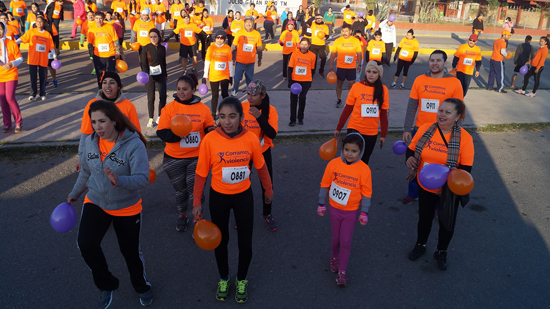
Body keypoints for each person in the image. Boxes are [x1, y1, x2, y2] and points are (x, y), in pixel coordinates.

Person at [67, 100, 153, 308]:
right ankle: (106, 284)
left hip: (126, 207)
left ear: (114, 121)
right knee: (86, 244)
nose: (97, 127)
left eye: (102, 121)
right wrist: (75, 193)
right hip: (96, 201)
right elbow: (86, 171)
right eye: (94, 121)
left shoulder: (134, 144)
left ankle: (142, 286)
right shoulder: (90, 141)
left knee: (130, 253)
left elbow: (143, 178)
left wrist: (120, 180)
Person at [192, 97, 273, 304]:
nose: (227, 122)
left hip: (243, 196)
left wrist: (268, 190)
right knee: (221, 240)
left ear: (241, 117)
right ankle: (224, 278)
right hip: (218, 197)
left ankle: (242, 279)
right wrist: (196, 201)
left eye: (232, 116)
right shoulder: (210, 139)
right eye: (222, 117)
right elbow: (201, 173)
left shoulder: (251, 139)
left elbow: (262, 167)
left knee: (245, 243)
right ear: (217, 118)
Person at [406, 98, 474, 271]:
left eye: (448, 112)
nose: (442, 115)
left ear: (458, 116)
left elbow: (465, 169)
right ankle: (420, 244)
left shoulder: (465, 138)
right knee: (424, 218)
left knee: (446, 222)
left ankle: (441, 251)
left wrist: (446, 185)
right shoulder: (425, 129)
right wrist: (409, 158)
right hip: (425, 185)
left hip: (450, 189)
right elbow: (411, 149)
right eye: (441, 110)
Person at [402, 50, 463, 205]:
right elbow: (411, 106)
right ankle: (413, 192)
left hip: (443, 130)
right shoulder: (419, 80)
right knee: (415, 162)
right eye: (432, 60)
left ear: (445, 63)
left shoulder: (454, 82)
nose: (434, 63)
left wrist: (457, 132)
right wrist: (406, 129)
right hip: (420, 129)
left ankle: (439, 200)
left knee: (441, 165)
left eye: (438, 60)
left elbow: (459, 110)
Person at [156, 74, 215, 232]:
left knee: (196, 189)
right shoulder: (169, 109)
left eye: (185, 89)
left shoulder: (203, 109)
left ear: (194, 90)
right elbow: (161, 133)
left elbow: (209, 127)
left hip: (197, 157)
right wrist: (178, 135)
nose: (181, 92)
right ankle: (182, 214)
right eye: (178, 89)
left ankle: (198, 217)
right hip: (173, 159)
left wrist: (211, 131)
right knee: (180, 191)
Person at [318, 132, 372, 287]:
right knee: (336, 238)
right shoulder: (333, 164)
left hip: (350, 211)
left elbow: (367, 193)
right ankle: (334, 257)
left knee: (345, 241)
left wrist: (364, 212)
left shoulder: (364, 170)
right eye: (346, 149)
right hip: (334, 209)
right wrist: (321, 203)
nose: (349, 154)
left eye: (354, 151)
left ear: (360, 152)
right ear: (342, 149)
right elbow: (324, 184)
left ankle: (342, 272)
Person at [76, 71, 141, 172]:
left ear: (119, 86)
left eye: (112, 82)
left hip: (121, 158)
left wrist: (141, 159)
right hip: (97, 158)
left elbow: (136, 135)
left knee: (121, 184)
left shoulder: (128, 106)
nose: (107, 86)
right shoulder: (92, 105)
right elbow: (85, 134)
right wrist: (81, 158)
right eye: (104, 83)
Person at [241, 80, 279, 231]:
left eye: (253, 95)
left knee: (267, 184)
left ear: (262, 95)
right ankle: (242, 214)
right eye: (248, 94)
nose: (249, 97)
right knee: (244, 184)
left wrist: (259, 117)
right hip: (244, 154)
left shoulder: (271, 110)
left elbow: (272, 134)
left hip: (263, 152)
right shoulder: (242, 107)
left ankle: (267, 213)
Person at [334, 61, 388, 164]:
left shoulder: (383, 90)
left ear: (379, 74)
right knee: (350, 160)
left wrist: (383, 134)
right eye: (368, 71)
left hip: (371, 132)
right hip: (355, 128)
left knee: (364, 161)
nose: (371, 74)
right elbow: (347, 110)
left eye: (374, 72)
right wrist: (338, 128)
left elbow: (384, 114)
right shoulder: (356, 87)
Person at [16, 15, 56, 101]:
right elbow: (22, 39)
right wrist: (13, 42)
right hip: (32, 59)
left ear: (44, 23)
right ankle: (32, 94)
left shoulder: (47, 34)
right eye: (37, 21)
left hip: (43, 59)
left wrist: (54, 56)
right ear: (35, 23)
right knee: (33, 78)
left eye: (41, 21)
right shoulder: (31, 32)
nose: (39, 23)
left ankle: (42, 94)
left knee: (42, 78)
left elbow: (51, 46)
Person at [329, 24, 362, 108]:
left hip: (351, 67)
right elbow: (333, 53)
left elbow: (359, 53)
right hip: (341, 66)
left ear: (350, 31)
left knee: (352, 84)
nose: (344, 33)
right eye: (343, 31)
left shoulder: (355, 41)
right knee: (339, 83)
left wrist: (359, 64)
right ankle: (339, 100)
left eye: (346, 31)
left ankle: (350, 100)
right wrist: (331, 64)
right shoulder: (338, 41)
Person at [0, 20, 23, 133]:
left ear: (4, 30)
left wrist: (11, 63)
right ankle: (7, 124)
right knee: (3, 100)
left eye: (0, 29)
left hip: (11, 74)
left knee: (9, 97)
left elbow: (20, 58)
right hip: (0, 76)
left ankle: (18, 121)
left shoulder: (11, 43)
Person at [141, 28, 167, 128]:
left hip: (160, 75)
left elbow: (164, 63)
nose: (153, 39)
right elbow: (143, 64)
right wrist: (146, 75)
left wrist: (166, 75)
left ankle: (160, 116)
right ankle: (151, 118)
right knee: (151, 98)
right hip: (149, 77)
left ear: (159, 37)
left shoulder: (162, 48)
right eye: (151, 37)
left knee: (163, 96)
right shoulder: (146, 48)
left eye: (155, 36)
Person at [204, 30, 233, 118]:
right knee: (215, 94)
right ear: (215, 38)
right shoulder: (211, 48)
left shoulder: (227, 48)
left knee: (224, 94)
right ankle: (213, 113)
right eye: (218, 37)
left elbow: (230, 62)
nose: (219, 40)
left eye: (222, 38)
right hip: (214, 75)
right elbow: (207, 62)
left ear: (225, 39)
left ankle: (226, 111)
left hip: (224, 75)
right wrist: (205, 75)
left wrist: (231, 75)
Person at [231, 15, 262, 96]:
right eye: (246, 22)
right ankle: (234, 92)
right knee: (237, 79)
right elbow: (233, 46)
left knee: (249, 80)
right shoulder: (239, 33)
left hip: (250, 63)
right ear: (244, 23)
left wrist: (259, 59)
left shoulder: (257, 34)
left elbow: (259, 48)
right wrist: (233, 58)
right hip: (240, 62)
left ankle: (250, 94)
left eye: (250, 22)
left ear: (253, 23)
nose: (248, 24)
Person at [165, 11, 203, 75]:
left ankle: (194, 69)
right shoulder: (181, 26)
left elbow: (200, 31)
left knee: (195, 58)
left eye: (187, 18)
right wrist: (168, 37)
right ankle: (184, 70)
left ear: (189, 19)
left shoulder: (193, 25)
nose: (186, 19)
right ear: (183, 19)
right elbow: (174, 32)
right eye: (185, 18)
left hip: (192, 44)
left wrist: (207, 36)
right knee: (184, 58)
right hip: (184, 44)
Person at [88, 11, 120, 88]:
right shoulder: (91, 29)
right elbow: (89, 44)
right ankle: (101, 90)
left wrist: (118, 53)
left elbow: (116, 40)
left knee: (110, 75)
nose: (99, 20)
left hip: (110, 55)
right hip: (98, 56)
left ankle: (112, 91)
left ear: (103, 19)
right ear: (94, 19)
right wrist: (91, 55)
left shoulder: (109, 27)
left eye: (101, 18)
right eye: (97, 18)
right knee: (100, 76)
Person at [287, 37, 315, 126]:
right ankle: (292, 120)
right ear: (299, 44)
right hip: (295, 80)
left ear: (309, 46)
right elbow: (290, 68)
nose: (303, 46)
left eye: (306, 45)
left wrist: (310, 81)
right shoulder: (294, 54)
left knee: (302, 98)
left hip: (306, 80)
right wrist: (290, 81)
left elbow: (312, 69)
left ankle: (300, 118)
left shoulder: (312, 55)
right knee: (293, 100)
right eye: (302, 44)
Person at [309, 13, 328, 78]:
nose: (318, 19)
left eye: (320, 18)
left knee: (323, 58)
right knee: (313, 60)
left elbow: (327, 35)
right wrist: (314, 17)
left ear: (322, 19)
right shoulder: (313, 25)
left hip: (321, 45)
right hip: (313, 44)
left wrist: (324, 37)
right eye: (317, 18)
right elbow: (308, 22)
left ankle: (321, 71)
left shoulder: (325, 26)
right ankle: (312, 72)